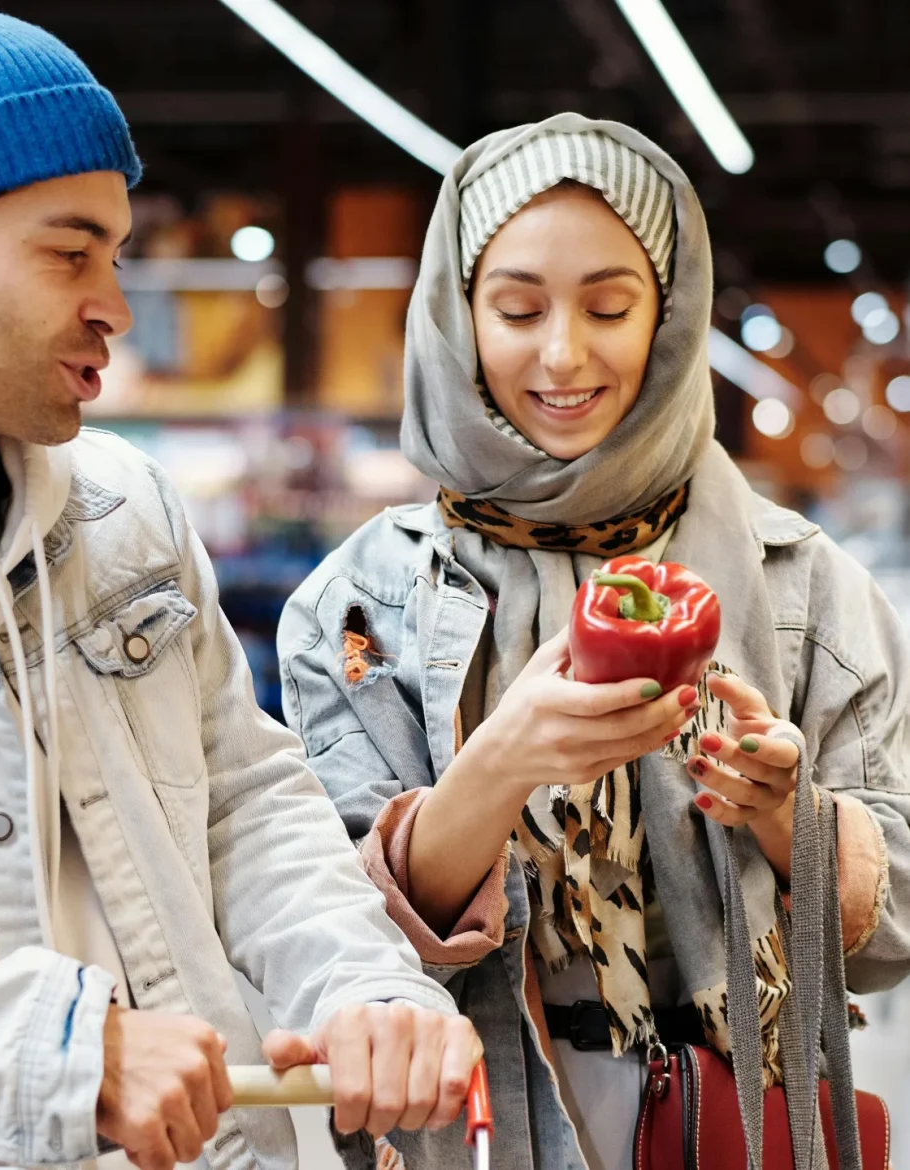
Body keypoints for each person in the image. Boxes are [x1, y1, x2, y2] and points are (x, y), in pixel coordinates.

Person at [0, 6, 482, 1170]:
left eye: (117, 255)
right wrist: (59, 1053)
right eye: (67, 251)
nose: (115, 307)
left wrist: (364, 983)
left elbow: (244, 804)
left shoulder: (125, 506)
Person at [278, 112, 910, 1170]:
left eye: (611, 307)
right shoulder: (358, 608)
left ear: (668, 320)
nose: (563, 353)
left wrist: (786, 817)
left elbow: (893, 934)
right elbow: (331, 949)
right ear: (456, 315)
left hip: (736, 1134)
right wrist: (500, 764)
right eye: (516, 308)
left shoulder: (802, 585)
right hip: (470, 1132)